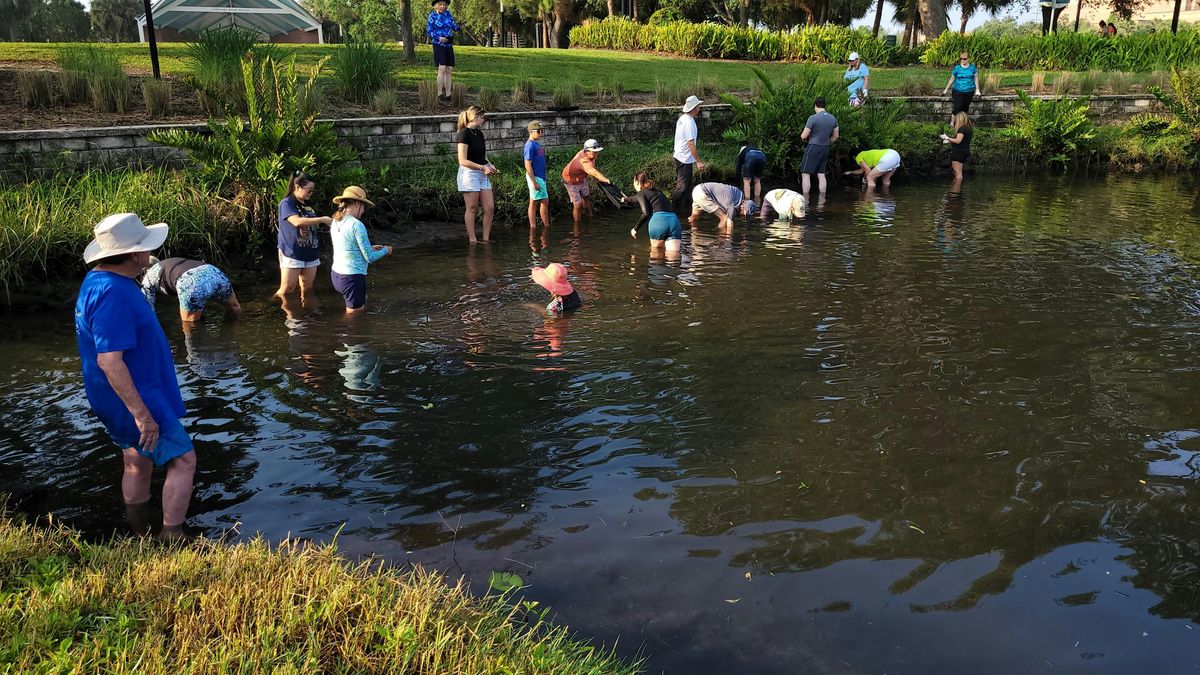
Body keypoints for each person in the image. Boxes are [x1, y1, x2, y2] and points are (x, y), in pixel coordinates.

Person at [75, 213, 197, 541]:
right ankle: (172, 533)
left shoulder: (98, 281)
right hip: (138, 398)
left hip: (115, 397)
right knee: (184, 459)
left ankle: (139, 530)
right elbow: (110, 361)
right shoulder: (113, 293)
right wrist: (143, 416)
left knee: (136, 457)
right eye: (144, 248)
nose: (149, 253)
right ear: (134, 255)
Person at [328, 186, 392, 313]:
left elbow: (346, 246)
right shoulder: (356, 224)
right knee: (355, 319)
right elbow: (370, 258)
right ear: (357, 203)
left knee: (356, 310)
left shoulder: (336, 221)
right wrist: (386, 250)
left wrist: (370, 247)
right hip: (352, 278)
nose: (363, 211)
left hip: (336, 275)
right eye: (364, 207)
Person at [276, 171, 332, 301]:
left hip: (309, 251)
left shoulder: (305, 206)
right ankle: (271, 309)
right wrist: (322, 219)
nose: (311, 194)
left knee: (307, 287)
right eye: (309, 190)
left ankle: (308, 316)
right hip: (292, 251)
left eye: (312, 191)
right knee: (287, 289)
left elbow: (311, 225)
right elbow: (296, 221)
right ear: (297, 187)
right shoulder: (287, 203)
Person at [142, 257, 241, 324]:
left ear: (144, 269)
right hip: (213, 271)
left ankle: (196, 351)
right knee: (234, 307)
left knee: (189, 324)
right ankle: (232, 338)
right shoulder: (169, 262)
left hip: (190, 281)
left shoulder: (148, 276)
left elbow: (147, 306)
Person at [456, 105, 497, 244]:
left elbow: (481, 156)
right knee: (472, 207)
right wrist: (481, 168)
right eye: (482, 117)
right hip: (469, 173)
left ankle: (485, 238)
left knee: (490, 207)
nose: (484, 120)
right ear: (475, 117)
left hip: (481, 171)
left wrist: (489, 165)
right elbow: (462, 160)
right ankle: (472, 239)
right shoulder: (464, 133)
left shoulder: (479, 134)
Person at [627, 172, 681, 255]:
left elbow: (645, 213)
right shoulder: (658, 193)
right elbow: (634, 199)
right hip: (674, 221)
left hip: (658, 222)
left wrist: (635, 229)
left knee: (656, 256)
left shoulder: (641, 193)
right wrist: (625, 199)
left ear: (637, 183)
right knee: (674, 258)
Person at [561, 139, 612, 225]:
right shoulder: (584, 162)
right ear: (587, 151)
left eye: (597, 151)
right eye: (594, 152)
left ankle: (589, 216)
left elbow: (593, 171)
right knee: (577, 204)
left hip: (581, 178)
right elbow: (595, 173)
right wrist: (605, 179)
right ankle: (577, 226)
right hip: (570, 181)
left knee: (586, 196)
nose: (597, 153)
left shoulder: (590, 154)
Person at [672, 95, 707, 212]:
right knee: (682, 186)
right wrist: (698, 161)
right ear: (693, 108)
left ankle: (685, 208)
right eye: (698, 106)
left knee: (687, 186)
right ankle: (672, 208)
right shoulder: (689, 123)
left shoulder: (683, 118)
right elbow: (691, 144)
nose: (699, 108)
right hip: (684, 158)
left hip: (680, 155)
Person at [800, 97, 839, 194]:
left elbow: (804, 135)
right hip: (825, 148)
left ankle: (806, 199)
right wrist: (827, 142)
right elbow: (835, 136)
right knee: (821, 174)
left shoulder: (813, 118)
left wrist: (803, 138)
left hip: (813, 146)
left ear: (815, 105)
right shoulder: (833, 118)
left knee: (805, 173)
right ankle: (822, 201)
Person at [426, 0, 460, 101]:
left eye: (444, 5)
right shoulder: (432, 16)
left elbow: (455, 27)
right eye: (440, 5)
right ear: (436, 6)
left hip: (448, 44)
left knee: (449, 69)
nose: (442, 6)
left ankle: (448, 93)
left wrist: (458, 26)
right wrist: (438, 38)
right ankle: (440, 93)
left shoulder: (448, 15)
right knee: (442, 68)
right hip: (438, 44)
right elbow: (429, 30)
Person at [689, 182, 756, 230]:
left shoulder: (737, 194)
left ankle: (692, 232)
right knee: (724, 218)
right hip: (704, 194)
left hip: (698, 189)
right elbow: (729, 226)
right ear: (743, 207)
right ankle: (721, 238)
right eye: (744, 214)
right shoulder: (732, 206)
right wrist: (728, 239)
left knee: (694, 216)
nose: (743, 216)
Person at [524, 120, 551, 234]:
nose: (541, 133)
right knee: (544, 201)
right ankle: (545, 226)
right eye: (539, 131)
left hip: (540, 176)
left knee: (534, 201)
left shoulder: (536, 143)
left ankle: (534, 227)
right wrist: (534, 181)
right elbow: (527, 164)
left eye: (542, 131)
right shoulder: (529, 145)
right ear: (531, 131)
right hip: (536, 177)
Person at [941, 112, 974, 182]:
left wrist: (947, 138)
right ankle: (956, 189)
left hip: (958, 152)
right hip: (964, 151)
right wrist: (949, 141)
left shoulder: (962, 128)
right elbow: (963, 140)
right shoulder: (969, 128)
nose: (955, 121)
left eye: (956, 119)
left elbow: (958, 141)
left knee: (957, 173)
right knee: (958, 172)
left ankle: (955, 190)